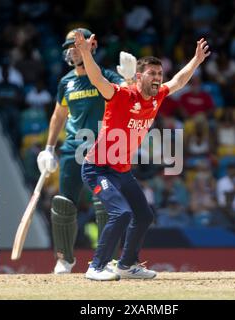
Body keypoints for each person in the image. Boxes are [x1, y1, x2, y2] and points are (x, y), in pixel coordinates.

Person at [75, 30, 210, 280]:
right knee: (121, 213)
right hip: (97, 168)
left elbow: (179, 81)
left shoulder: (157, 97)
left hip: (122, 171)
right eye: (152, 73)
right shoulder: (122, 95)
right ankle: (95, 267)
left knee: (144, 216)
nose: (158, 78)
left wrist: (196, 61)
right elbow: (97, 80)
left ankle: (126, 265)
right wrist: (84, 51)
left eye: (160, 74)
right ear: (139, 76)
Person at [36, 28, 137, 274]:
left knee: (105, 204)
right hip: (73, 148)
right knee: (63, 204)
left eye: (78, 44)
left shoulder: (107, 75)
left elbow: (129, 94)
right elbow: (59, 115)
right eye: (69, 46)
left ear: (92, 46)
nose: (72, 50)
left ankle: (109, 261)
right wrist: (49, 148)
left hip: (103, 149)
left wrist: (131, 79)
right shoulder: (66, 82)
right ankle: (64, 259)